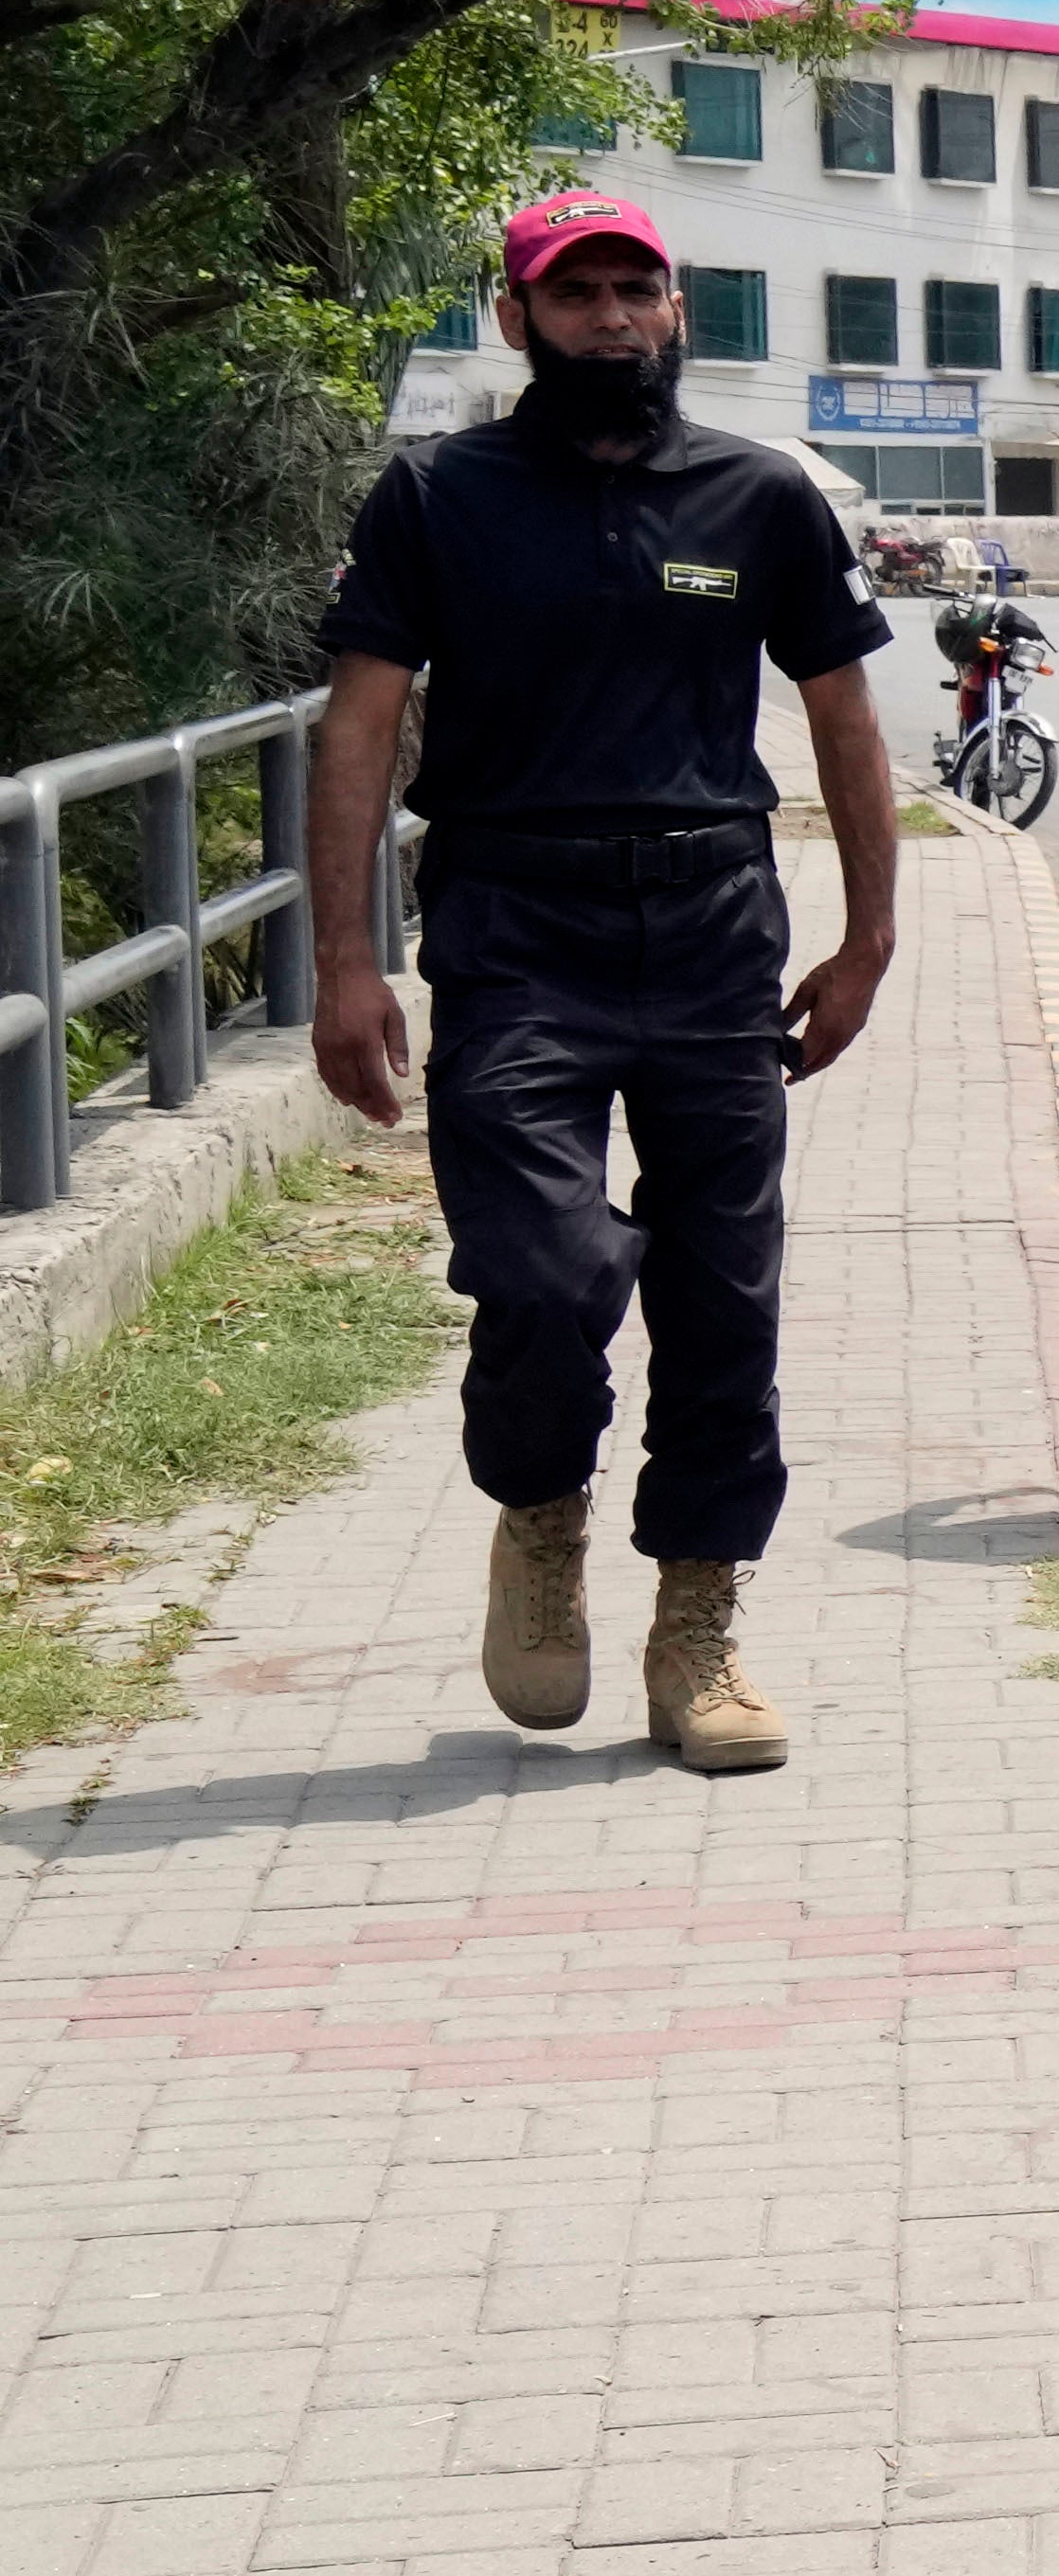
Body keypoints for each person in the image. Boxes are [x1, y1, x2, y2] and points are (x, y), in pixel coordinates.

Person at [309, 190, 900, 1778]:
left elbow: (844, 721)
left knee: (724, 1299)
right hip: (513, 927)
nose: (614, 321)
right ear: (517, 321)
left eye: (638, 291)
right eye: (577, 298)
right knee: (544, 1269)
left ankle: (697, 1628)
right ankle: (541, 1512)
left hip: (715, 932)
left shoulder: (761, 495)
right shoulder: (439, 495)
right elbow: (360, 723)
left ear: (679, 311)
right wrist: (347, 961)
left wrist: (869, 936)